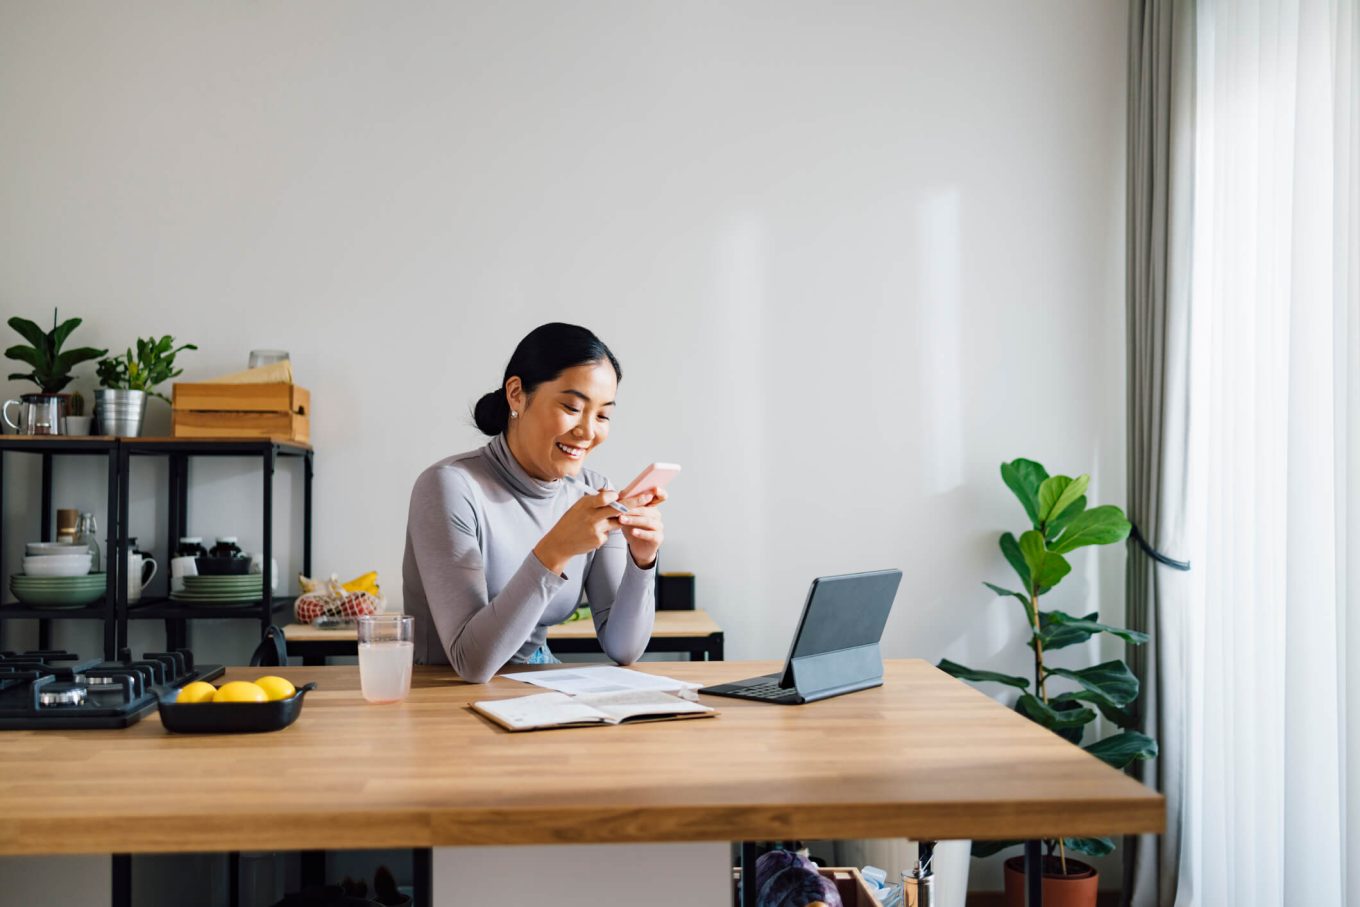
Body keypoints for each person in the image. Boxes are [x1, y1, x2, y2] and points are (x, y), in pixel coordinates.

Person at [402, 323, 666, 682]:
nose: (588, 431)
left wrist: (642, 559)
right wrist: (556, 549)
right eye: (572, 407)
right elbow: (471, 662)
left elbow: (623, 648)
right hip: (446, 701)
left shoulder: (593, 491)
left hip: (537, 690)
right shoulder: (449, 487)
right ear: (516, 394)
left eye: (603, 415)